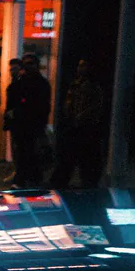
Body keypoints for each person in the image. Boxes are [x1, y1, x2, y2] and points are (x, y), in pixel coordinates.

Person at [51, 59, 104, 189]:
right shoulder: (75, 84)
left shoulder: (93, 86)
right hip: (74, 127)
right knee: (68, 158)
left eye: (83, 65)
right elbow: (70, 104)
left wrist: (82, 117)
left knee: (87, 160)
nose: (80, 68)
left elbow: (95, 106)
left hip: (87, 129)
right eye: (79, 65)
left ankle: (87, 184)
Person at [10, 51, 52, 188]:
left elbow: (43, 105)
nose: (28, 67)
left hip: (33, 124)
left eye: (30, 64)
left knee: (31, 152)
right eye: (25, 64)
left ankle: (29, 179)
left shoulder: (41, 83)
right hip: (22, 124)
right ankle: (26, 179)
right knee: (23, 153)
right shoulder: (21, 82)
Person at [3, 57, 23, 184]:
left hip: (18, 120)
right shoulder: (14, 84)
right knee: (15, 148)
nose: (12, 71)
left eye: (15, 69)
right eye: (11, 69)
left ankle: (19, 173)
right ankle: (17, 172)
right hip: (13, 120)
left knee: (18, 148)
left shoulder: (19, 84)